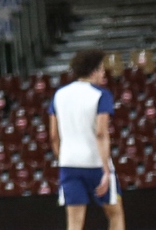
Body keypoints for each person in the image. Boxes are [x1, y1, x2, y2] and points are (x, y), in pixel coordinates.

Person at [48, 50, 121, 230]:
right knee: (115, 213)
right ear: (94, 70)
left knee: (74, 224)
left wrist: (61, 158)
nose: (104, 73)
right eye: (102, 69)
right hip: (95, 163)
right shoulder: (102, 95)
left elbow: (53, 136)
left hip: (69, 163)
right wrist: (106, 171)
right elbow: (101, 133)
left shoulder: (59, 94)